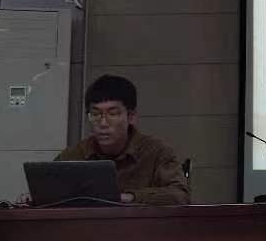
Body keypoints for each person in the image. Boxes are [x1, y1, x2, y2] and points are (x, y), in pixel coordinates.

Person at [54, 75, 190, 205]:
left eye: (112, 114)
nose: (103, 123)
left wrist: (130, 197)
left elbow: (180, 195)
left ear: (131, 116)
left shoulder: (156, 152)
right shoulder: (73, 156)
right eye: (95, 114)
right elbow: (48, 196)